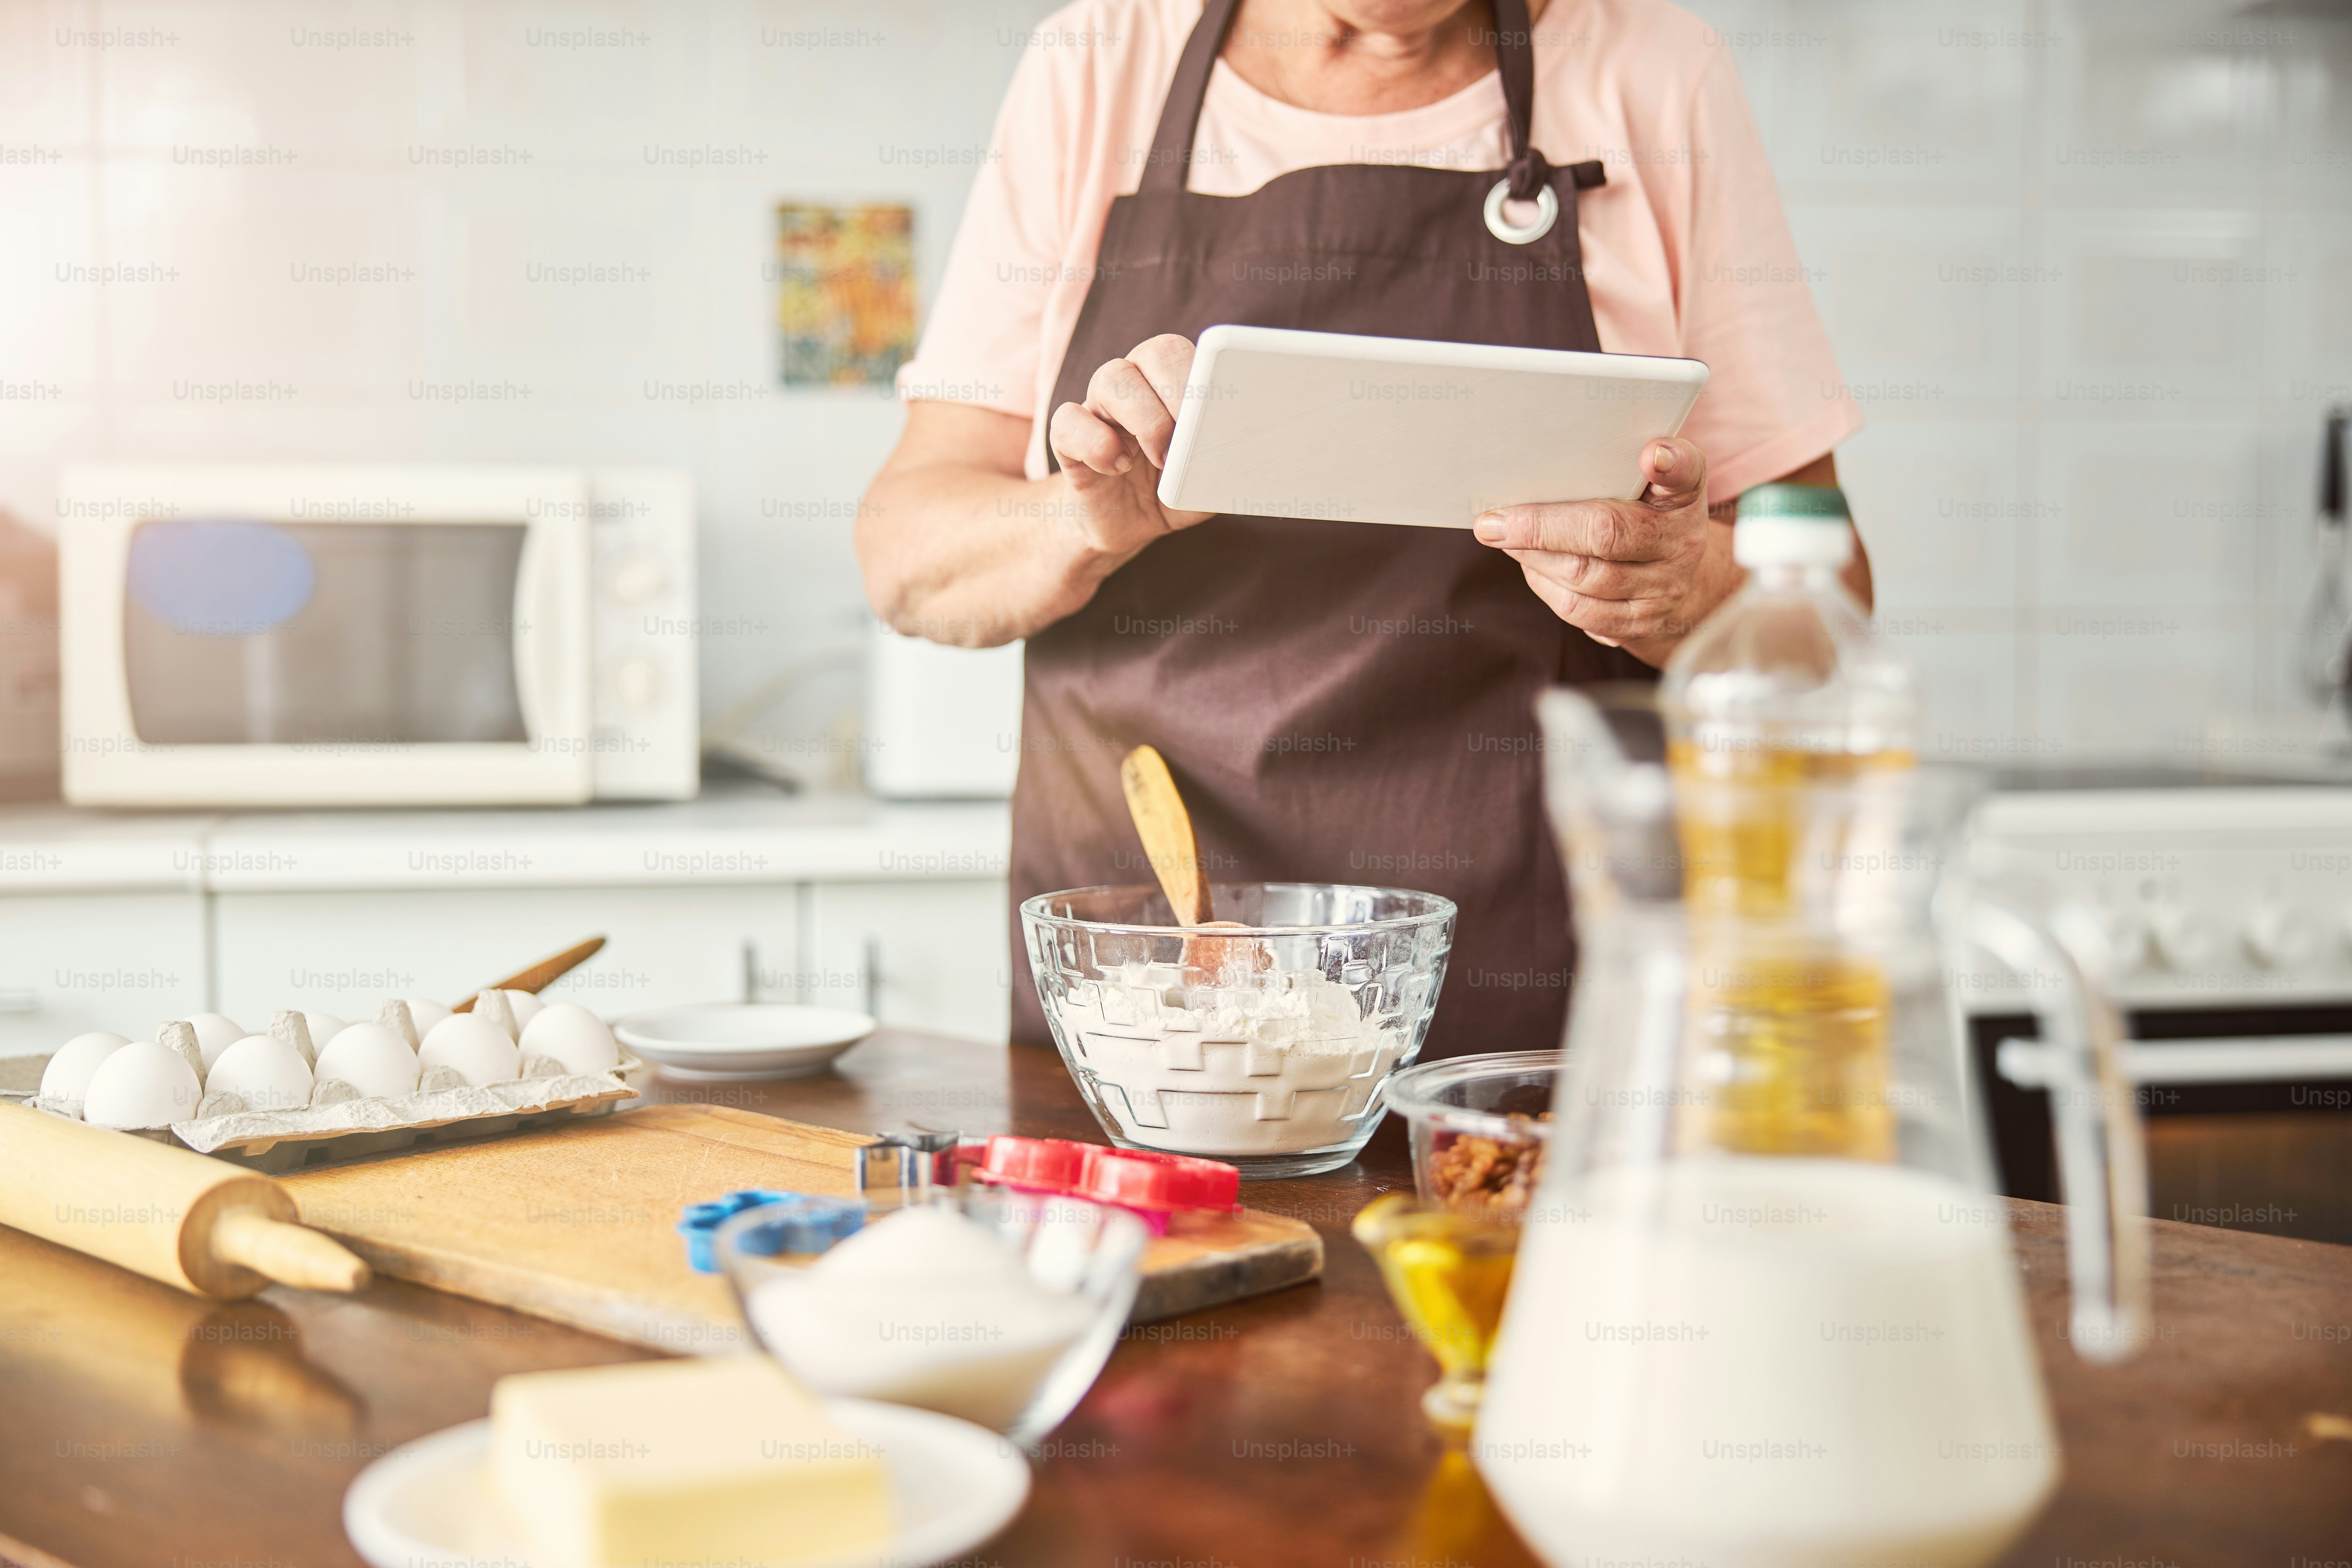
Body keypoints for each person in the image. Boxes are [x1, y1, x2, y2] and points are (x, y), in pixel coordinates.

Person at [858, 0, 1870, 1058]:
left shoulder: (1651, 70)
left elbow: (1828, 613)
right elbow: (905, 558)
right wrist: (1084, 517)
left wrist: (1688, 590)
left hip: (1528, 1010)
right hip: (1151, 989)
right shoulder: (1102, 61)